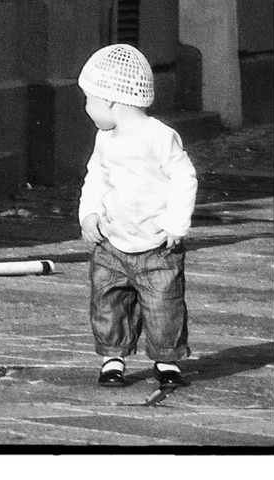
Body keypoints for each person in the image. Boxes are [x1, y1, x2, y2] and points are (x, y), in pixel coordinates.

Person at [77, 43, 198, 390]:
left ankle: (166, 360)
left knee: (164, 306)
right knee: (107, 303)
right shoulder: (105, 138)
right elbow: (95, 176)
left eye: (90, 101)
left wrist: (177, 223)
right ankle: (112, 358)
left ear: (112, 100)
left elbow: (183, 176)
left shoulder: (157, 136)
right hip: (111, 243)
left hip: (157, 246)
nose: (87, 109)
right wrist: (90, 214)